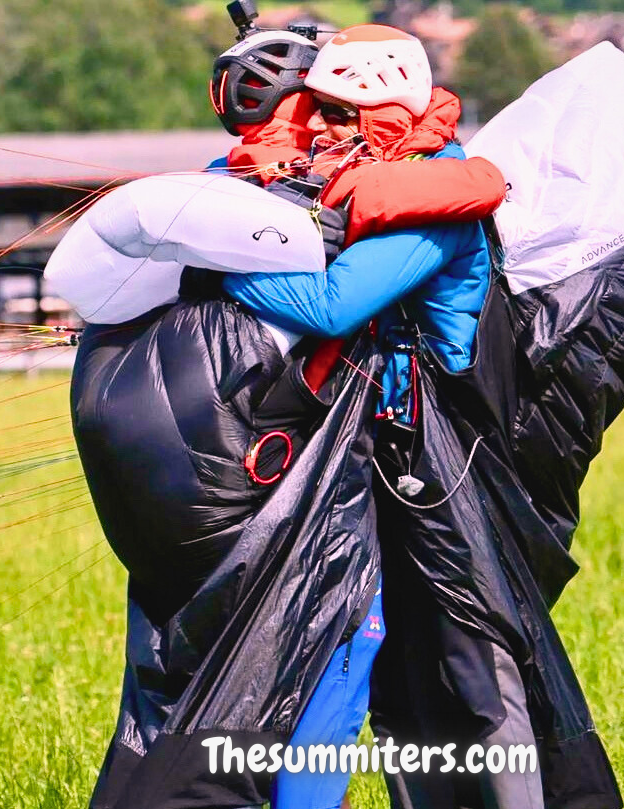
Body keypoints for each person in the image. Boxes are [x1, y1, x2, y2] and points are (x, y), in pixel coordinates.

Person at [77, 25, 508, 809]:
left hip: (434, 462)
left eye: (345, 116)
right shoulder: (331, 173)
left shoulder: (432, 195)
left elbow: (331, 303)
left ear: (389, 110)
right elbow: (229, 202)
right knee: (299, 629)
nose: (327, 131)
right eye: (320, 111)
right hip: (347, 448)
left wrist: (216, 267)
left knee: (367, 638)